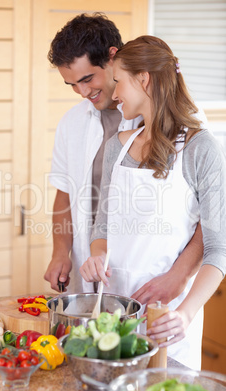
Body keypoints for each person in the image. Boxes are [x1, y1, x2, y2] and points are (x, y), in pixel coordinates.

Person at [79, 35, 226, 369]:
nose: (114, 94)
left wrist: (185, 314)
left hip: (167, 322)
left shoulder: (201, 149)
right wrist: (96, 257)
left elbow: (219, 248)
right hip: (111, 318)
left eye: (119, 82)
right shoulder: (117, 147)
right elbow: (103, 226)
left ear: (143, 79)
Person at [44, 13, 204, 306]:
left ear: (113, 58)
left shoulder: (186, 127)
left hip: (160, 285)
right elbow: (65, 194)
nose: (83, 92)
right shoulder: (72, 124)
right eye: (72, 85)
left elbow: (212, 217)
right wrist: (60, 252)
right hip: (93, 280)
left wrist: (180, 276)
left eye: (88, 79)